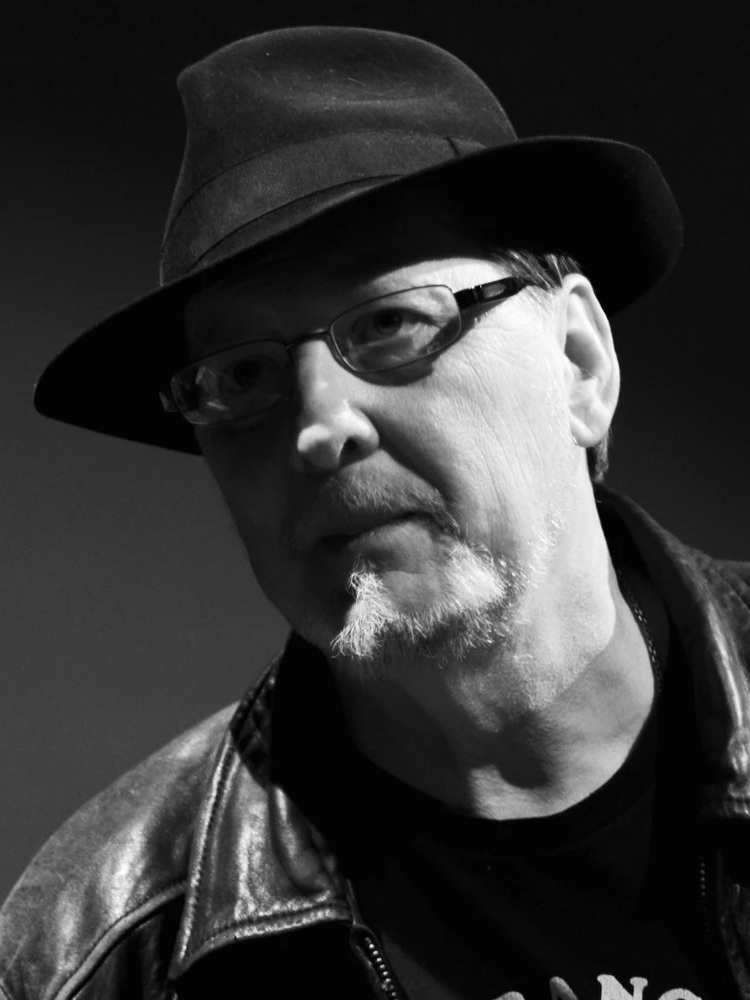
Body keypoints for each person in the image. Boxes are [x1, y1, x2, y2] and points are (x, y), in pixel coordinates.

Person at [1, 23, 748, 1000]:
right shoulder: (102, 952)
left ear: (579, 362)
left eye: (392, 322)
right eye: (243, 376)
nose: (320, 426)